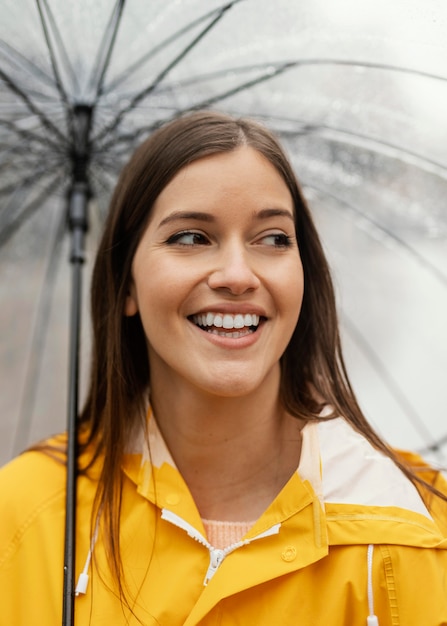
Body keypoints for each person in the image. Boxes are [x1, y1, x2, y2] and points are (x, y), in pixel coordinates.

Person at [0, 110, 446, 626]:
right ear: (126, 285)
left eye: (274, 238)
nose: (237, 275)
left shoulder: (417, 529)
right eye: (191, 238)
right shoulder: (23, 515)